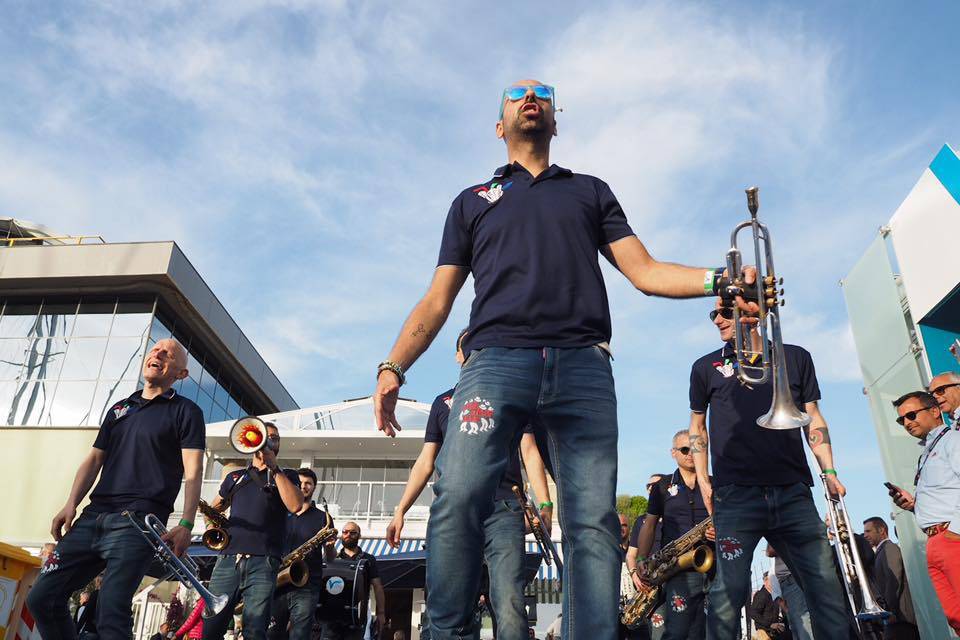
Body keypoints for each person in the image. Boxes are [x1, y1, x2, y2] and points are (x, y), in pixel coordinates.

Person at [373, 78, 757, 640]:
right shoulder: (471, 200)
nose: (531, 97)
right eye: (516, 94)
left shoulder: (589, 191)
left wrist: (719, 280)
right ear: (499, 124)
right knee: (457, 494)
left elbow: (645, 272)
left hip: (583, 366)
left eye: (543, 94)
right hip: (494, 361)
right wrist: (393, 366)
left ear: (556, 119)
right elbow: (438, 298)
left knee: (593, 522)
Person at [688, 299, 850, 638]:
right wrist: (703, 479)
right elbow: (697, 427)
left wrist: (830, 471)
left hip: (792, 492)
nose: (716, 320)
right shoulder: (706, 367)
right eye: (713, 314)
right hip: (735, 496)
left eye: (723, 312)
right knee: (726, 596)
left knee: (826, 589)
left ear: (751, 311)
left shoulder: (796, 358)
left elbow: (813, 418)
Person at [27, 338, 205, 640]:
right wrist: (71, 503)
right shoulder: (120, 408)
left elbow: (194, 469)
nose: (157, 353)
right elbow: (95, 458)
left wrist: (187, 523)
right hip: (93, 517)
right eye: (155, 349)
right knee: (41, 598)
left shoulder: (186, 411)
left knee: (110, 610)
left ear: (181, 373)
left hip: (136, 523)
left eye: (168, 353)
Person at [388, 329, 552, 639]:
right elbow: (425, 462)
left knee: (509, 602)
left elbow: (530, 452)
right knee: (451, 604)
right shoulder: (442, 403)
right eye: (471, 346)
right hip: (456, 510)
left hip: (504, 508)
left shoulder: (512, 398)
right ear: (459, 355)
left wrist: (544, 504)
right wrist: (400, 510)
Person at [202, 422, 303, 640]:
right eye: (264, 436)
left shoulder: (288, 476)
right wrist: (211, 527)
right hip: (228, 558)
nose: (270, 441)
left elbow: (295, 505)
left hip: (264, 561)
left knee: (255, 630)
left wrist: (274, 468)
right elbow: (212, 508)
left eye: (275, 438)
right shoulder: (236, 477)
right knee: (211, 626)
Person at [889, 391, 960, 635]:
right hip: (934, 541)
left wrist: (955, 532)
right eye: (902, 420)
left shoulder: (953, 440)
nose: (907, 422)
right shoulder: (925, 454)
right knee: (955, 617)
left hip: (952, 538)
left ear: (934, 411)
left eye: (911, 414)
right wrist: (913, 505)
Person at [633, 430, 712, 640]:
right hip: (679, 567)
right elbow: (649, 526)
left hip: (716, 566)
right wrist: (641, 557)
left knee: (707, 633)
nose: (690, 454)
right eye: (684, 449)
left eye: (695, 449)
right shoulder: (662, 487)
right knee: (676, 632)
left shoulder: (716, 484)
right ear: (673, 453)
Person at [269, 468, 336, 640]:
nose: (304, 486)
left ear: (314, 487)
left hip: (306, 585)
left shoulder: (324, 518)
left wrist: (329, 546)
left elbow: (331, 558)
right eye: (301, 482)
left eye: (309, 484)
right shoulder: (279, 512)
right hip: (277, 582)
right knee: (272, 634)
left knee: (300, 635)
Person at [321, 521, 386, 640]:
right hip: (333, 613)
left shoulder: (368, 559)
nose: (348, 535)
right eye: (345, 532)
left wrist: (381, 613)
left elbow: (377, 586)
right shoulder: (333, 556)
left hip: (356, 615)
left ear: (359, 536)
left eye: (353, 532)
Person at [862, 517, 919, 640]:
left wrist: (889, 610)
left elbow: (894, 580)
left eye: (868, 531)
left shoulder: (889, 548)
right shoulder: (882, 551)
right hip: (897, 617)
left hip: (901, 617)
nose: (865, 535)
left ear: (881, 530)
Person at [625, 475, 667, 640]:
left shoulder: (677, 517)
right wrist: (634, 573)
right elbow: (631, 555)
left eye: (655, 485)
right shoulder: (641, 521)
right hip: (650, 586)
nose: (651, 488)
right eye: (648, 485)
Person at [766, 545, 811, 640]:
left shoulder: (772, 572)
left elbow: (769, 551)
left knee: (802, 626)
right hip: (790, 582)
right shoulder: (773, 572)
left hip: (792, 579)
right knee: (799, 627)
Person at [750, 574, 784, 639]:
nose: (774, 582)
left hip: (774, 631)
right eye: (772, 581)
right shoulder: (761, 595)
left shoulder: (774, 593)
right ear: (766, 582)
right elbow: (753, 613)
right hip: (764, 632)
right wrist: (770, 624)